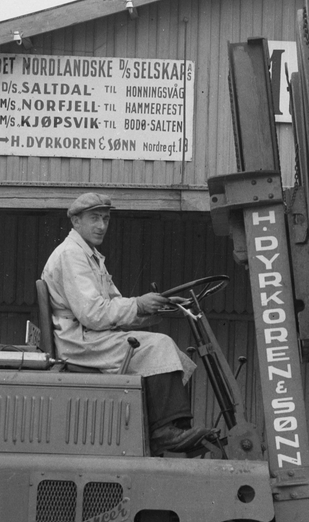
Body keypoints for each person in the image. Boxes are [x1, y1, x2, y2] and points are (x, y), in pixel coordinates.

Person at [41, 192, 212, 456]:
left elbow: (115, 305)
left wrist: (160, 304)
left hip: (92, 335)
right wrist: (138, 305)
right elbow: (94, 313)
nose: (101, 226)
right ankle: (165, 433)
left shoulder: (90, 255)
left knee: (170, 352)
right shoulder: (71, 255)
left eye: (106, 219)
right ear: (76, 222)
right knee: (160, 345)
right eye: (95, 218)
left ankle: (175, 430)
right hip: (79, 341)